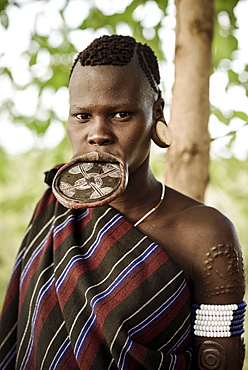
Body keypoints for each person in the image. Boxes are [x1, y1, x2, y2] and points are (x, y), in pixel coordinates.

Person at [0, 35, 246, 370]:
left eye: (120, 114)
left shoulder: (205, 233)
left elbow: (219, 360)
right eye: (82, 115)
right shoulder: (54, 207)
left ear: (156, 113)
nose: (97, 133)